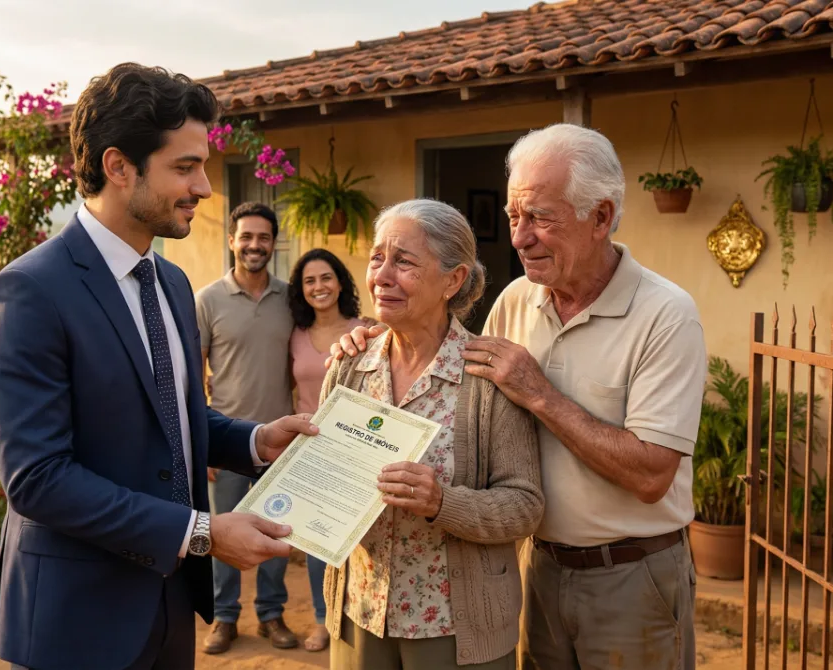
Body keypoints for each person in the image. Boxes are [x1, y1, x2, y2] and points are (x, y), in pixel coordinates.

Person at [0, 62, 318, 670]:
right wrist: (204, 533)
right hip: (76, 622)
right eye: (185, 167)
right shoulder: (28, 291)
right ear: (118, 166)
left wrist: (259, 440)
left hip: (166, 607)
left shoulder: (173, 283)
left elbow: (175, 417)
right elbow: (37, 480)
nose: (206, 188)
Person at [331, 124, 708, 670]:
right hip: (538, 570)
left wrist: (541, 395)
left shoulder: (665, 315)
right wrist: (377, 332)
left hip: (632, 575)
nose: (519, 237)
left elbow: (652, 476)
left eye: (540, 217)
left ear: (600, 217)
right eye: (513, 217)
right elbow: (442, 351)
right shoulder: (516, 300)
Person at [320, 199, 544, 670]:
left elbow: (524, 505)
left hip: (455, 629)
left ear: (453, 279)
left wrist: (442, 503)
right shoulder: (349, 366)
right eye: (377, 257)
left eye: (404, 261)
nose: (382, 275)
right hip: (359, 610)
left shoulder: (489, 378)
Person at [195, 201, 298, 654]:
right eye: (247, 236)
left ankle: (272, 615)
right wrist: (202, 445)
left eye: (264, 237)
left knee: (277, 533)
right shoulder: (208, 299)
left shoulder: (290, 299)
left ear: (273, 243)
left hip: (282, 446)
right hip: (227, 444)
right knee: (223, 535)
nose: (255, 245)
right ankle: (224, 617)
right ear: (232, 240)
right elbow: (191, 372)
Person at [285, 248, 372, 652]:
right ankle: (323, 620)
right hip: (310, 449)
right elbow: (291, 389)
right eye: (309, 281)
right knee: (317, 540)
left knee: (359, 541)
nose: (318, 287)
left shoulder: (367, 330)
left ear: (340, 282)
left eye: (325, 278)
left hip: (357, 449)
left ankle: (362, 615)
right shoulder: (295, 335)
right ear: (301, 291)